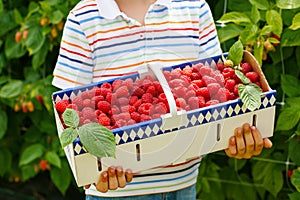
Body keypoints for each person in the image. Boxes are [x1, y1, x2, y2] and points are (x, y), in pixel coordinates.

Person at [52, 0, 273, 199]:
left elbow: (217, 94)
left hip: (183, 188)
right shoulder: (83, 19)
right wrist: (91, 171)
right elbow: (70, 112)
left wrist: (234, 137)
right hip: (116, 194)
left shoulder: (194, 8)